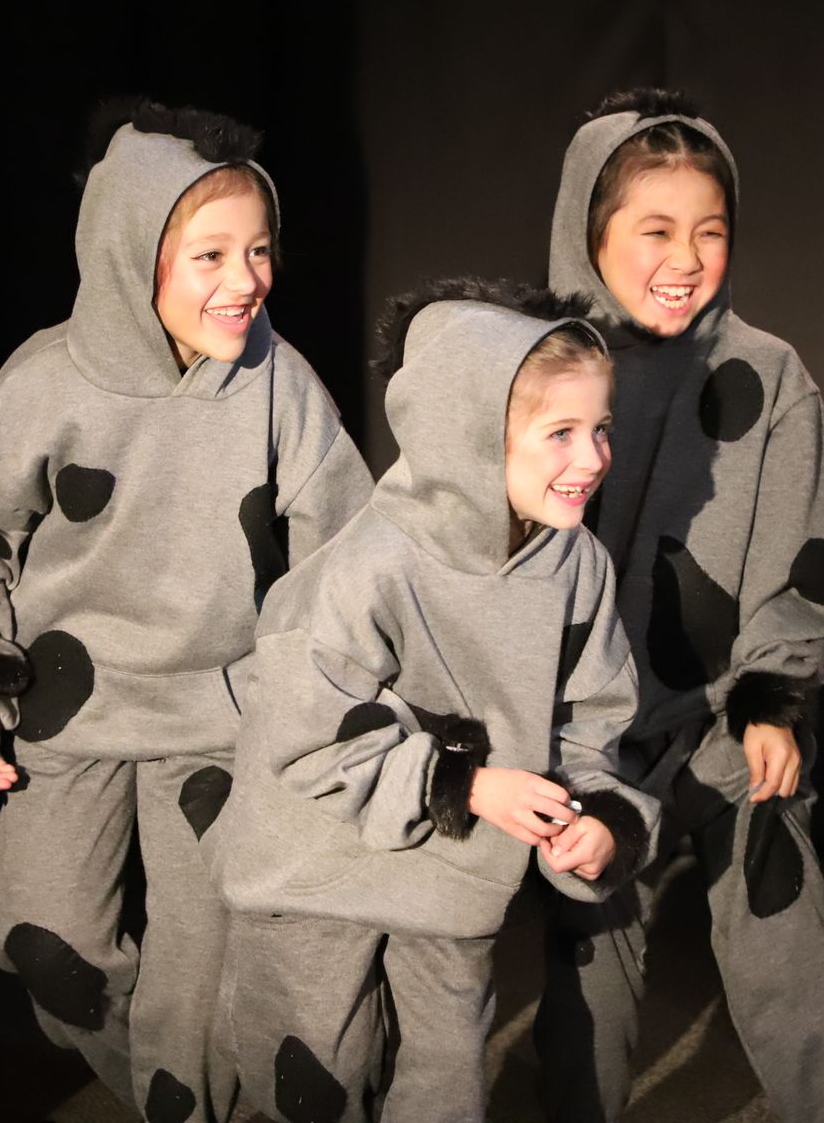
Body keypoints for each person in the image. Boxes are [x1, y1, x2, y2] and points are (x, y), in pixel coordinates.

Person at [0, 100, 373, 1120]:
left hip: (219, 719)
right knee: (38, 936)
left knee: (190, 994)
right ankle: (189, 1090)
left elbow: (344, 551)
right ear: (129, 257)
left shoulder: (279, 381)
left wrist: (304, 697)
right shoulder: (49, 381)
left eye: (258, 249)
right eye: (210, 255)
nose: (245, 279)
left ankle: (190, 1093)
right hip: (71, 706)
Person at [213, 281, 661, 1123]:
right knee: (314, 1081)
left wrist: (596, 814)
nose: (594, 457)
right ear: (470, 437)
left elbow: (590, 718)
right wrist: (467, 784)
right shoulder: (369, 564)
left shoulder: (580, 566)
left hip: (455, 876)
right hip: (313, 869)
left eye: (601, 428)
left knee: (449, 1079)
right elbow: (309, 737)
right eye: (560, 433)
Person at [532, 89, 824, 1122]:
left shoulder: (769, 378)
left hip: (731, 717)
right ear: (590, 231)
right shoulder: (535, 376)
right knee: (587, 970)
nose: (685, 259)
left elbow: (802, 562)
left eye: (710, 231)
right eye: (656, 230)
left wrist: (774, 697)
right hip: (594, 733)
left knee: (784, 942)